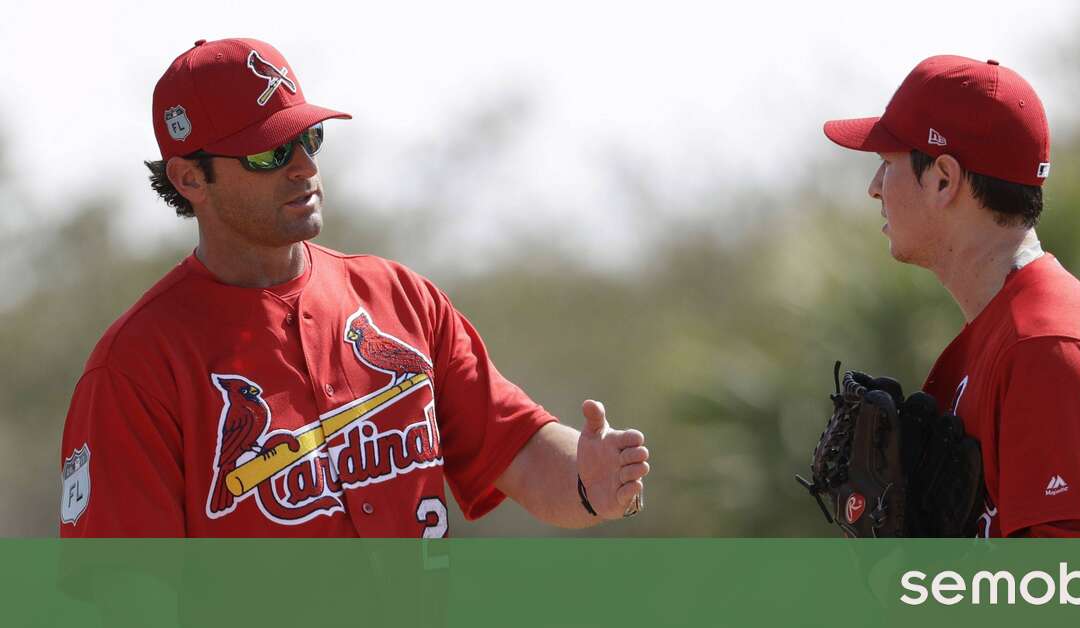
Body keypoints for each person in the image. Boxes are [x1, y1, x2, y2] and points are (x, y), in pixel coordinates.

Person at [58, 38, 648, 537]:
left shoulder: (400, 299)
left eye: (309, 140)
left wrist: (591, 480)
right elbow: (124, 594)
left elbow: (518, 453)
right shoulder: (137, 366)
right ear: (191, 177)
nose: (304, 167)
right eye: (269, 152)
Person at [822, 55, 1080, 538]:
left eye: (886, 163)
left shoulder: (1045, 345)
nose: (875, 188)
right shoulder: (1006, 331)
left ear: (943, 180)